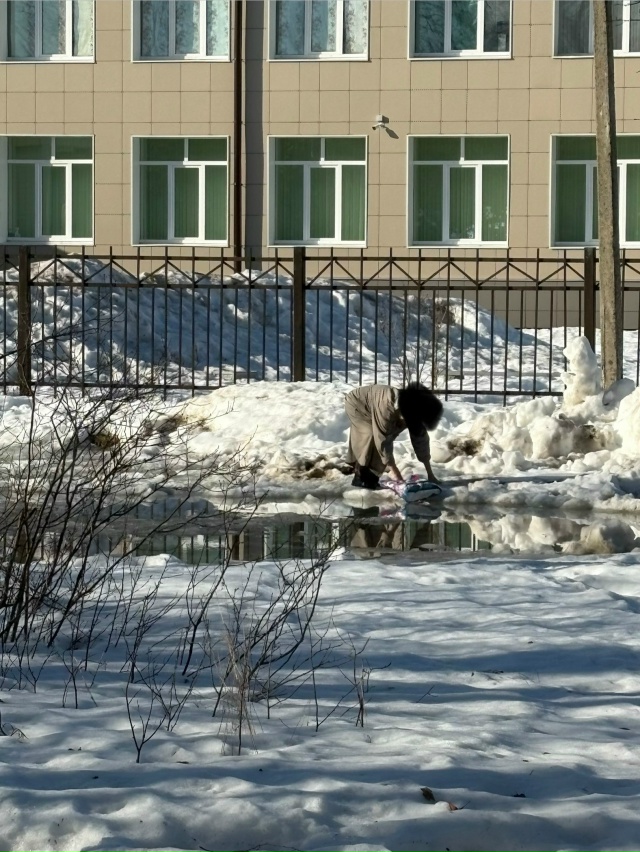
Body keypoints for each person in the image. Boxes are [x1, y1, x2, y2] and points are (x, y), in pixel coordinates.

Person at [344, 382, 443, 490]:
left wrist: (430, 475)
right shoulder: (387, 407)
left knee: (380, 441)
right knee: (369, 437)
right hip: (358, 403)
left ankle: (371, 476)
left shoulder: (416, 410)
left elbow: (421, 441)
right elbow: (383, 441)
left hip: (380, 405)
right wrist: (398, 476)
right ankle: (361, 477)